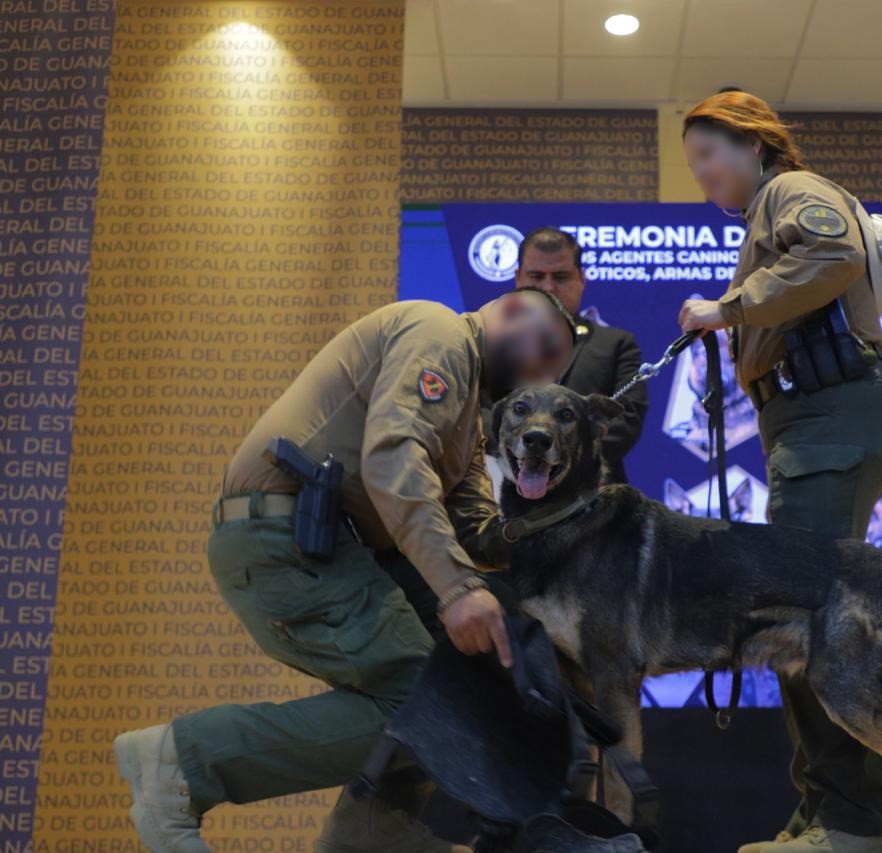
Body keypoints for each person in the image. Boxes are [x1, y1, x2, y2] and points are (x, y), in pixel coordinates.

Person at [113, 291, 575, 853]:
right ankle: (182, 762)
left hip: (326, 545)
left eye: (554, 367)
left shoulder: (466, 414)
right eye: (543, 346)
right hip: (283, 535)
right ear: (509, 310)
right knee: (423, 700)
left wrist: (560, 532)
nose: (541, 370)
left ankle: (372, 832)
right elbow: (393, 457)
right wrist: (457, 589)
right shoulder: (441, 334)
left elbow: (473, 527)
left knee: (476, 660)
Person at [677, 91, 882, 853]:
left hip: (832, 416)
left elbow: (834, 254)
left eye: (708, 154)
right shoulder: (763, 215)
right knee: (797, 620)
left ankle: (857, 820)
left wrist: (728, 307)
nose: (701, 175)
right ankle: (825, 808)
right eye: (692, 164)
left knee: (808, 620)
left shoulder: (792, 189)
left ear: (754, 144)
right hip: (815, 423)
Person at [513, 226, 648, 483]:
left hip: (592, 493)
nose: (548, 287)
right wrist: (516, 458)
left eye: (561, 276)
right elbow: (478, 418)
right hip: (504, 487)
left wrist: (555, 453)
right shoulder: (487, 342)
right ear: (518, 278)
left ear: (582, 279)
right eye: (536, 276)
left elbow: (624, 423)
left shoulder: (616, 344)